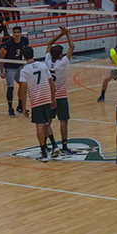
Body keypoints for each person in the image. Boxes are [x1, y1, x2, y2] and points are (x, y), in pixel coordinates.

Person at [19, 45, 59, 161]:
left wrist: (23, 107)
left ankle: (43, 153)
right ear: (33, 54)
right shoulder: (42, 65)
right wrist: (53, 98)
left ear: (24, 56)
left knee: (39, 126)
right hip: (46, 98)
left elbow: (23, 90)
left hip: (36, 101)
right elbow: (51, 83)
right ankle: (54, 145)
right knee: (46, 124)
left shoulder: (25, 70)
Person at [45, 27, 76, 155]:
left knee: (47, 122)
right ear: (60, 55)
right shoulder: (62, 63)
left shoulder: (47, 61)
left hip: (48, 96)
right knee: (63, 122)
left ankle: (46, 145)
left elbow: (49, 44)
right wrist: (67, 33)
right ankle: (64, 146)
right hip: (61, 97)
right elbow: (72, 46)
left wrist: (59, 35)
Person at [0, 26, 30, 116]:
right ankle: (10, 108)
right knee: (10, 87)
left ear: (21, 33)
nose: (16, 34)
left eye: (18, 32)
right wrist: (1, 71)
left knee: (22, 85)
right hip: (9, 67)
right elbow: (1, 58)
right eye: (15, 33)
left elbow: (26, 51)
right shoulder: (8, 44)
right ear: (13, 34)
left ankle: (20, 106)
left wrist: (25, 62)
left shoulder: (24, 40)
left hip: (19, 66)